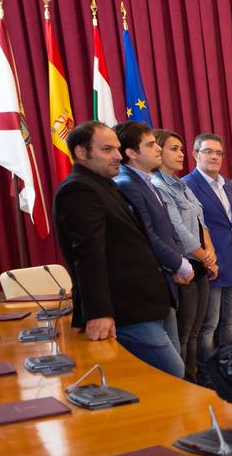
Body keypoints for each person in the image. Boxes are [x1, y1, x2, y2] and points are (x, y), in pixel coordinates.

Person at [53, 122, 183, 377]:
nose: (118, 155)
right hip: (127, 308)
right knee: (172, 373)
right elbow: (88, 255)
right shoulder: (78, 189)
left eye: (117, 148)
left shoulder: (104, 184)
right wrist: (99, 312)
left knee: (166, 379)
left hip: (150, 301)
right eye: (107, 149)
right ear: (81, 152)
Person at [113, 121, 194, 359]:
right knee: (172, 365)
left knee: (177, 352)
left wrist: (178, 260)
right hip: (148, 288)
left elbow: (168, 229)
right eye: (150, 145)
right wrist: (180, 263)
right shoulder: (127, 185)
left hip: (167, 278)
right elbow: (148, 235)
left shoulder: (146, 181)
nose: (157, 148)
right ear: (131, 153)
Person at [152, 129, 217, 380]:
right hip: (184, 266)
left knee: (196, 330)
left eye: (181, 149)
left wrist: (210, 253)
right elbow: (177, 228)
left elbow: (202, 222)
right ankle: (186, 381)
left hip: (200, 263)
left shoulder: (182, 185)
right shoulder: (158, 185)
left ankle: (195, 377)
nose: (180, 154)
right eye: (173, 149)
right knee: (184, 333)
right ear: (158, 151)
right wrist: (204, 256)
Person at [186, 133, 232, 361]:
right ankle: (208, 372)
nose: (215, 157)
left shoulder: (228, 184)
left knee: (230, 321)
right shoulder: (187, 186)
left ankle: (228, 367)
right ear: (195, 154)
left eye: (219, 153)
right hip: (209, 263)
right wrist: (207, 258)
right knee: (209, 323)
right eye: (208, 151)